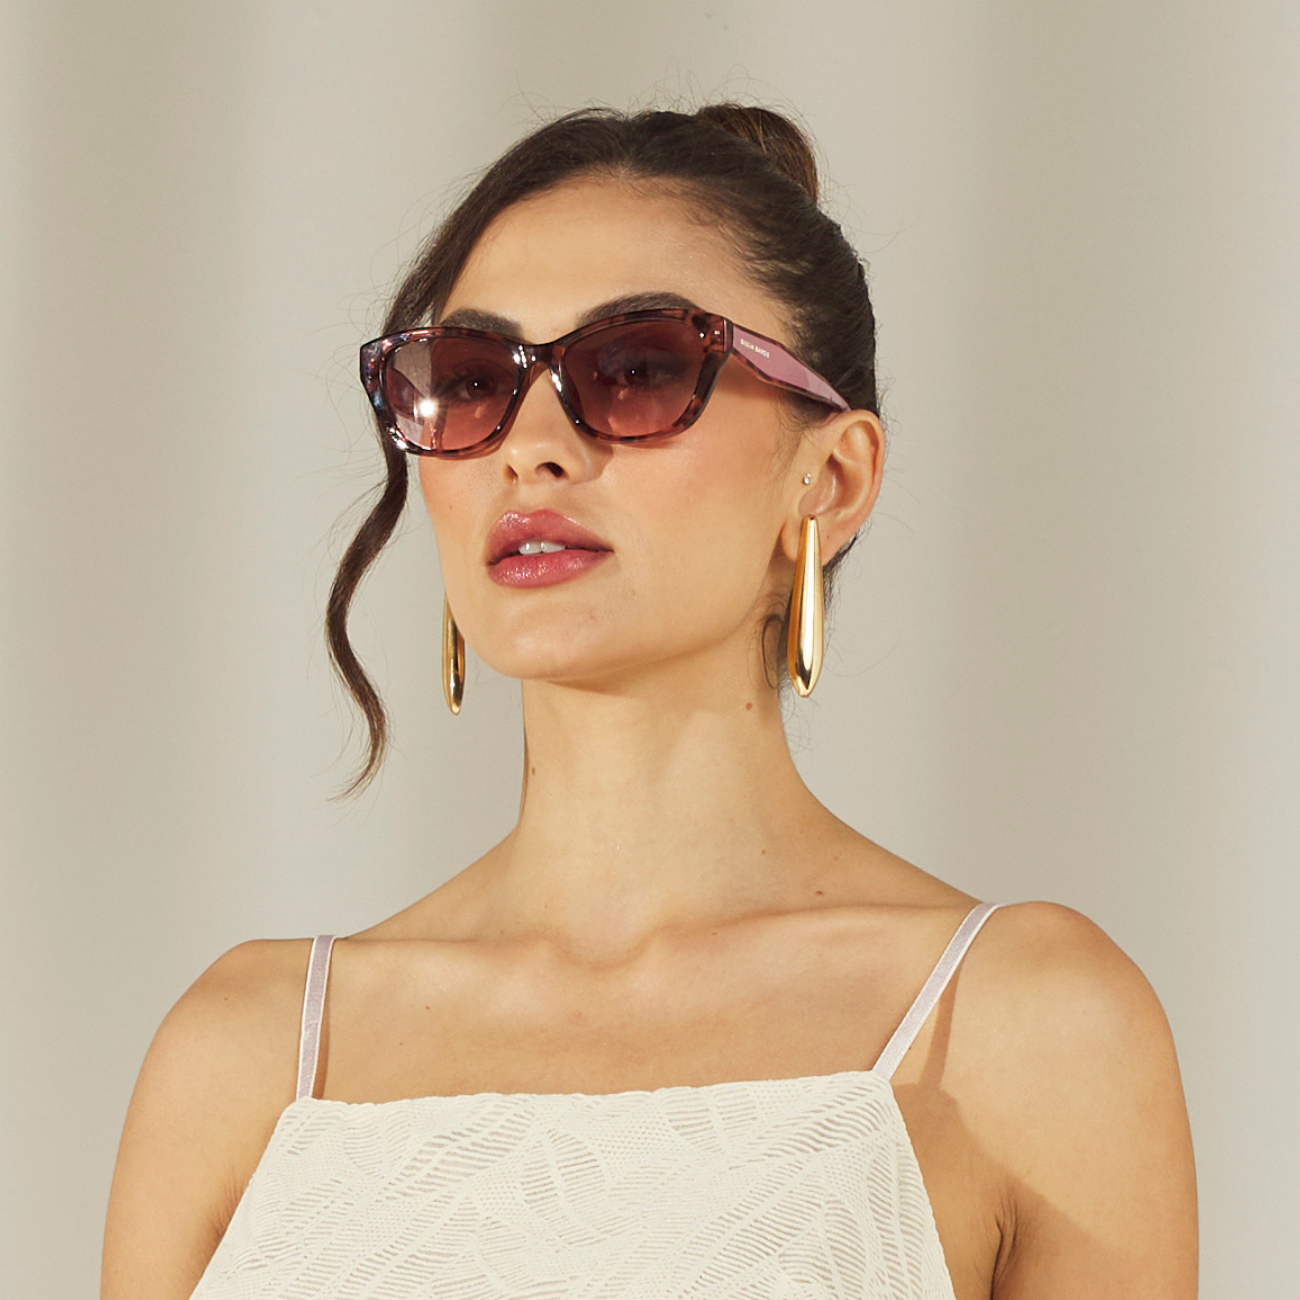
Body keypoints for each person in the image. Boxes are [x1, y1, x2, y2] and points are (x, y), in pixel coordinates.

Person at [101, 104, 1197, 1299]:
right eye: (470, 383)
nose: (528, 446)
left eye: (635, 370)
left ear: (830, 478)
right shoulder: (248, 1050)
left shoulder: (1027, 1026)